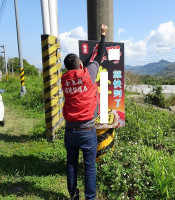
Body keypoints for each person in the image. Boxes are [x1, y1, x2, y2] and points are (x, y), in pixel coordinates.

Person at [61, 24, 108, 200]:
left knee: (71, 164)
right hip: (87, 130)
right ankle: (90, 198)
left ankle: (73, 195)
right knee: (89, 166)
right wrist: (103, 35)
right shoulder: (89, 73)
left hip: (70, 129)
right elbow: (100, 55)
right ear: (81, 64)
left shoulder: (64, 80)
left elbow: (75, 72)